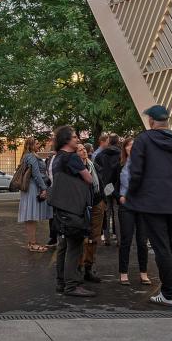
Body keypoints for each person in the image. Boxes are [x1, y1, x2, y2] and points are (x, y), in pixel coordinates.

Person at [126, 105, 172, 307]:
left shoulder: (143, 140)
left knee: (161, 248)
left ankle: (168, 293)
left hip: (151, 203)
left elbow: (136, 173)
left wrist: (133, 195)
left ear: (151, 121)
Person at [48, 125, 95, 298]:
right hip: (74, 207)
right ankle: (72, 285)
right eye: (75, 137)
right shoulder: (72, 158)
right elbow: (89, 179)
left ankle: (61, 282)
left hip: (61, 207)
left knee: (63, 246)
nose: (78, 139)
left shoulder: (56, 159)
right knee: (74, 247)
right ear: (67, 140)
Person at [117, 137, 152, 286]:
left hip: (142, 206)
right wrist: (118, 196)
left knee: (142, 241)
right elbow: (110, 184)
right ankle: (123, 273)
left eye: (134, 145)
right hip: (126, 206)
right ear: (124, 149)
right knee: (126, 240)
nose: (131, 147)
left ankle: (143, 273)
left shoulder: (146, 165)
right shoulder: (119, 165)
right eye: (128, 145)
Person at [77, 142, 106, 284]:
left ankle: (89, 268)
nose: (83, 151)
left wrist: (103, 201)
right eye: (79, 150)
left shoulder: (93, 165)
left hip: (97, 203)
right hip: (82, 206)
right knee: (82, 237)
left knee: (94, 237)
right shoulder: (75, 167)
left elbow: (101, 183)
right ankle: (78, 267)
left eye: (83, 149)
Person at [16, 137, 52, 252]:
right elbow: (36, 174)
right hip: (32, 189)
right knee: (31, 216)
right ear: (30, 145)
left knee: (31, 216)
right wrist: (44, 188)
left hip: (32, 188)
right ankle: (32, 243)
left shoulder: (30, 155)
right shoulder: (31, 156)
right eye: (36, 143)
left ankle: (33, 242)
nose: (38, 145)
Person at [95, 134, 123, 247]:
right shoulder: (121, 154)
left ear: (109, 141)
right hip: (116, 186)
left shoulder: (101, 154)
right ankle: (120, 239)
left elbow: (97, 171)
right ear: (117, 142)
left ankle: (107, 239)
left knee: (107, 212)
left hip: (106, 186)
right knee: (117, 212)